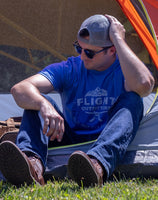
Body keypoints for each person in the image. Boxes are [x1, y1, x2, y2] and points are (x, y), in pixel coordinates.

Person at [0, 14, 154, 187]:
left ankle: (97, 166)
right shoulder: (71, 68)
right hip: (70, 136)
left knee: (133, 99)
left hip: (108, 137)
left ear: (112, 50)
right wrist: (44, 105)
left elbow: (144, 85)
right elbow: (19, 89)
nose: (82, 56)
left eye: (89, 52)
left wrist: (118, 38)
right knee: (36, 101)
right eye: (78, 48)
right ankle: (32, 166)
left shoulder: (124, 69)